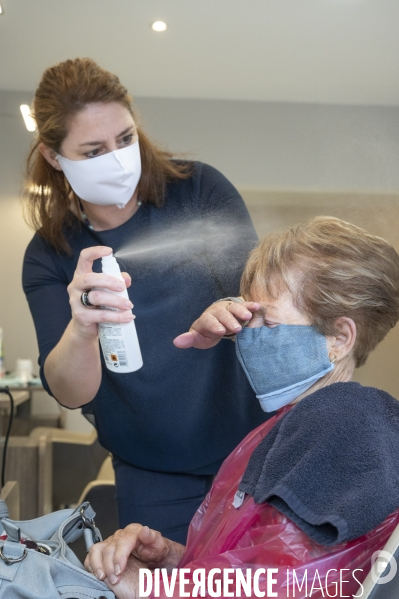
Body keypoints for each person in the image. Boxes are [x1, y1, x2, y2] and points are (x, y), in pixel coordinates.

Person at [86, 216, 399, 599]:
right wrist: (172, 559)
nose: (247, 335)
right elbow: (259, 568)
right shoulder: (303, 422)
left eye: (267, 322)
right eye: (249, 317)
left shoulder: (344, 424)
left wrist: (150, 589)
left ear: (340, 337)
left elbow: (290, 588)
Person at [22, 57, 268, 543]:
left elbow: (263, 297)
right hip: (152, 474)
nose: (116, 159)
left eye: (125, 139)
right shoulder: (50, 255)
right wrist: (82, 328)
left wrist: (231, 309)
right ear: (55, 157)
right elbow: (72, 392)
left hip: (252, 451)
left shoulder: (198, 189)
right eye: (92, 150)